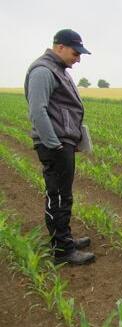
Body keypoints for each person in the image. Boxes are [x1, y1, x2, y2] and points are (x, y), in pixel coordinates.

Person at [24, 29, 95, 265]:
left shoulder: (57, 70)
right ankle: (62, 251)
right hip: (54, 144)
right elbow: (37, 111)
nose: (78, 59)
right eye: (76, 53)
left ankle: (64, 240)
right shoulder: (43, 71)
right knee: (58, 196)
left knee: (63, 195)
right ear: (60, 47)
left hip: (62, 143)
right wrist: (54, 145)